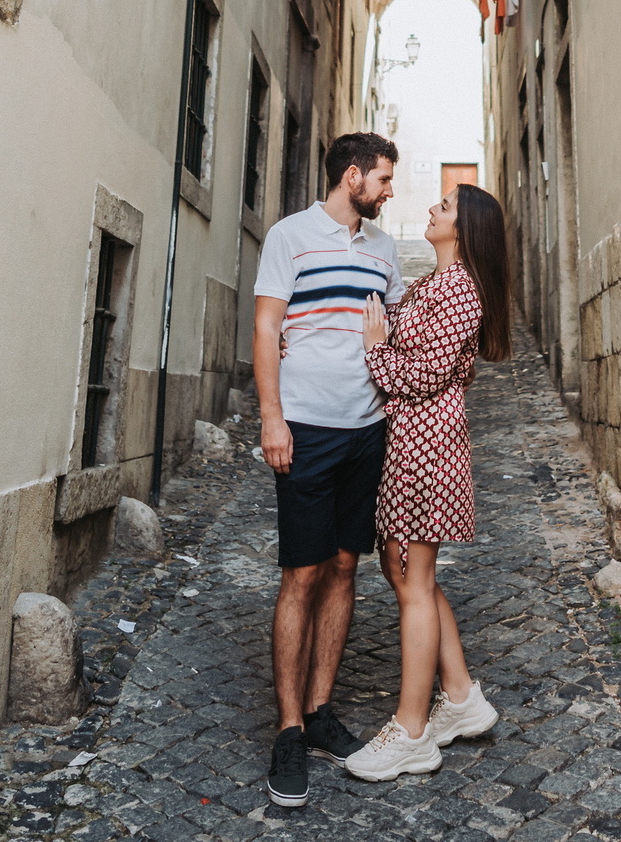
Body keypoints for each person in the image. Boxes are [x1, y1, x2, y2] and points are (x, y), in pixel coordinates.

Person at [252, 132, 404, 809]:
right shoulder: (290, 236)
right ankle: (288, 729)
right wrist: (272, 418)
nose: (390, 190)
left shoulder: (384, 249)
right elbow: (266, 328)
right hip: (306, 428)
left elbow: (397, 325)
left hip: (366, 430)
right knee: (302, 573)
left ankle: (318, 712)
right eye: (384, 179)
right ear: (353, 177)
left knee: (345, 567)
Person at [343, 181, 512, 782]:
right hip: (409, 442)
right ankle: (461, 696)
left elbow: (423, 374)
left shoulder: (462, 290)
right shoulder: (432, 285)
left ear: (464, 229)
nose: (433, 209)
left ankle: (411, 731)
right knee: (404, 572)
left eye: (445, 206)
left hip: (428, 446)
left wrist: (375, 350)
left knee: (412, 579)